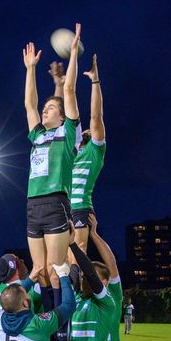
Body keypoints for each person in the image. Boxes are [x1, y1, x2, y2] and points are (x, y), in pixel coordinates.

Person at [21, 26, 81, 341]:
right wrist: (29, 69)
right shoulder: (38, 135)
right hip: (33, 206)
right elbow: (28, 102)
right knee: (40, 272)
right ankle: (47, 326)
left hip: (57, 201)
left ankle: (62, 336)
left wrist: (73, 54)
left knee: (58, 273)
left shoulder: (67, 131)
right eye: (44, 109)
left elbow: (69, 88)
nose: (44, 110)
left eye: (50, 108)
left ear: (61, 114)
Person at [68, 54, 108, 259]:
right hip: (61, 207)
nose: (89, 129)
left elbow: (96, 116)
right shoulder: (73, 148)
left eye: (93, 130)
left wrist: (94, 80)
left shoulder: (95, 151)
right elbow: (70, 108)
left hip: (80, 209)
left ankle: (80, 290)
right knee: (58, 265)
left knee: (77, 257)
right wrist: (61, 82)